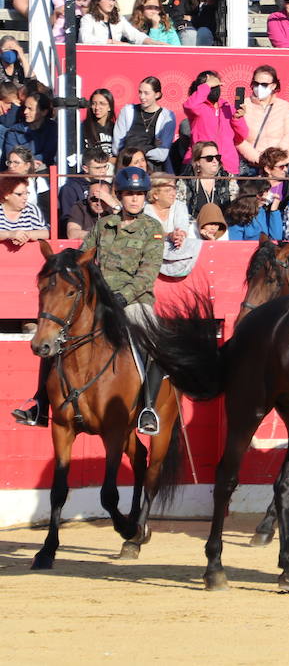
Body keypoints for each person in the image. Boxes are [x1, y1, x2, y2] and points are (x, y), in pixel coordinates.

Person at [14, 167, 164, 434]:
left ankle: (147, 409)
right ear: (119, 195)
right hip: (99, 299)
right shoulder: (104, 225)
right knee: (56, 335)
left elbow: (147, 274)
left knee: (153, 342)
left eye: (139, 194)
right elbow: (80, 258)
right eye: (129, 194)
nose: (134, 199)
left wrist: (123, 296)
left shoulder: (152, 229)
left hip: (135, 301)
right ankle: (40, 402)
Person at [113, 76, 174, 171]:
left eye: (146, 93)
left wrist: (139, 154)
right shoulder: (127, 111)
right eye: (140, 92)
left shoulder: (167, 116)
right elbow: (117, 147)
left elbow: (162, 154)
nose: (142, 97)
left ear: (157, 94)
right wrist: (139, 153)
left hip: (152, 167)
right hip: (127, 163)